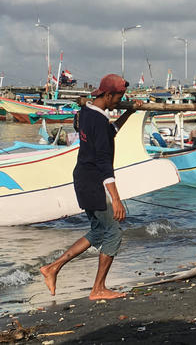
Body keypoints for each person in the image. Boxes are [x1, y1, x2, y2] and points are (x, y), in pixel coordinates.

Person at [41, 74, 142, 301]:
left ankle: (52, 268)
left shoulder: (87, 112)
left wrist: (129, 111)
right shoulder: (96, 119)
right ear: (108, 95)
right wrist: (116, 199)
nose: (119, 101)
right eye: (119, 98)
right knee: (113, 233)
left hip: (84, 179)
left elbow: (111, 132)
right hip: (92, 181)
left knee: (98, 232)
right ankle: (98, 289)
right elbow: (104, 163)